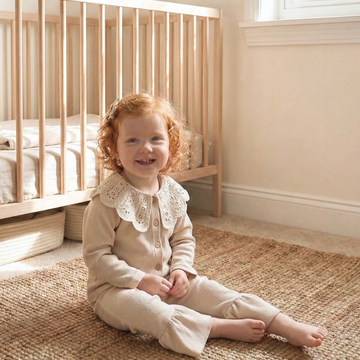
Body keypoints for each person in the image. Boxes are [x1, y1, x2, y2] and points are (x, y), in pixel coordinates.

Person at [82, 92, 328, 358]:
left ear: (171, 144)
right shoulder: (106, 199)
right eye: (132, 140)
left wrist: (180, 270)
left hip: (168, 282)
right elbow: (96, 257)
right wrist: (139, 280)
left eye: (156, 138)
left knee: (215, 293)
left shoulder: (173, 193)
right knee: (148, 312)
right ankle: (214, 327)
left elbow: (183, 239)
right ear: (114, 149)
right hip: (115, 289)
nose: (146, 148)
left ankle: (282, 323)